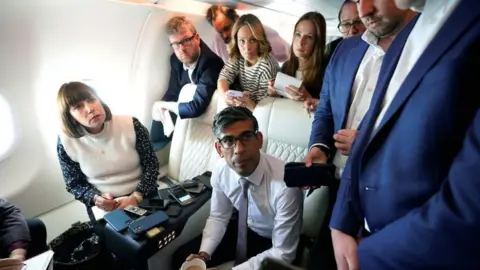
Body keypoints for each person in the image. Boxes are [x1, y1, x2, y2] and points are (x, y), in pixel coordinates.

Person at [329, 0, 480, 269]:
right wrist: (342, 219)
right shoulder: (403, 38)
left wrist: (371, 255)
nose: (363, 11)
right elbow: (368, 133)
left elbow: (471, 203)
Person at [303, 1, 417, 269]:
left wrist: (368, 145)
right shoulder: (344, 48)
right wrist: (320, 147)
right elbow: (326, 110)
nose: (363, 11)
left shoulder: (419, 51)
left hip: (385, 193)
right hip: (336, 186)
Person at [172, 106, 303, 270]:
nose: (239, 150)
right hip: (241, 226)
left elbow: (284, 252)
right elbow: (219, 217)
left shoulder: (286, 183)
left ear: (259, 140)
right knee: (180, 259)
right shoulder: (220, 171)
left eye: (246, 136)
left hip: (272, 240)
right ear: (219, 149)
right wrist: (203, 255)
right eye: (228, 141)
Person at [57, 82, 159, 213]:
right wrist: (96, 198)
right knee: (114, 233)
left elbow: (152, 164)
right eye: (78, 106)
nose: (89, 109)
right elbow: (74, 184)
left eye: (91, 99)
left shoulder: (131, 125)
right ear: (71, 118)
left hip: (143, 193)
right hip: (104, 204)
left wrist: (136, 196)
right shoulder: (66, 142)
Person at [151, 16, 224, 122]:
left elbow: (197, 107)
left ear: (197, 38)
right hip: (189, 120)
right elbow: (173, 92)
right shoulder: (175, 61)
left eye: (186, 40)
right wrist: (160, 107)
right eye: (176, 44)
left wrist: (166, 105)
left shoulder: (211, 63)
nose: (182, 49)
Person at [267, 11, 327, 114]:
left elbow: (330, 110)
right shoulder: (286, 66)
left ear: (317, 43)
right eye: (298, 34)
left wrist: (307, 97)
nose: (301, 42)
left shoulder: (326, 71)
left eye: (309, 37)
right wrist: (273, 93)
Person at [217, 14, 279, 110]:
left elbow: (263, 110)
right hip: (243, 109)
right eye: (242, 41)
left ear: (260, 40)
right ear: (236, 41)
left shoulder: (266, 66)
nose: (247, 47)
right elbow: (223, 78)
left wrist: (247, 102)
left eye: (253, 40)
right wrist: (226, 96)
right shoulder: (238, 56)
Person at [206, 5, 290, 63]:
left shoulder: (266, 33)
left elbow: (290, 56)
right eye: (220, 32)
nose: (224, 36)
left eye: (227, 28)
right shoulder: (218, 39)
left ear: (237, 20)